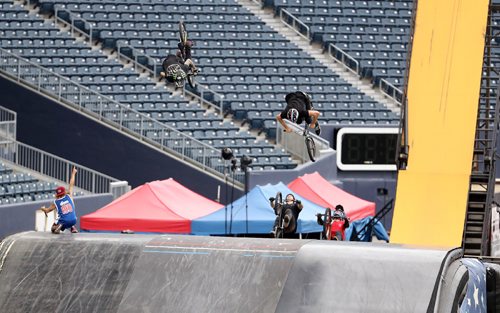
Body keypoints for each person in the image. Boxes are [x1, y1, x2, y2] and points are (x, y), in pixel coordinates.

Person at [40, 167, 78, 234]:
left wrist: (42, 208)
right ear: (64, 192)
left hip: (64, 221)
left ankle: (59, 225)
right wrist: (73, 173)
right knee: (69, 213)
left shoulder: (56, 202)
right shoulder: (69, 196)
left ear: (57, 194)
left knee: (53, 229)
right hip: (74, 220)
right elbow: (71, 184)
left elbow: (47, 210)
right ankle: (72, 227)